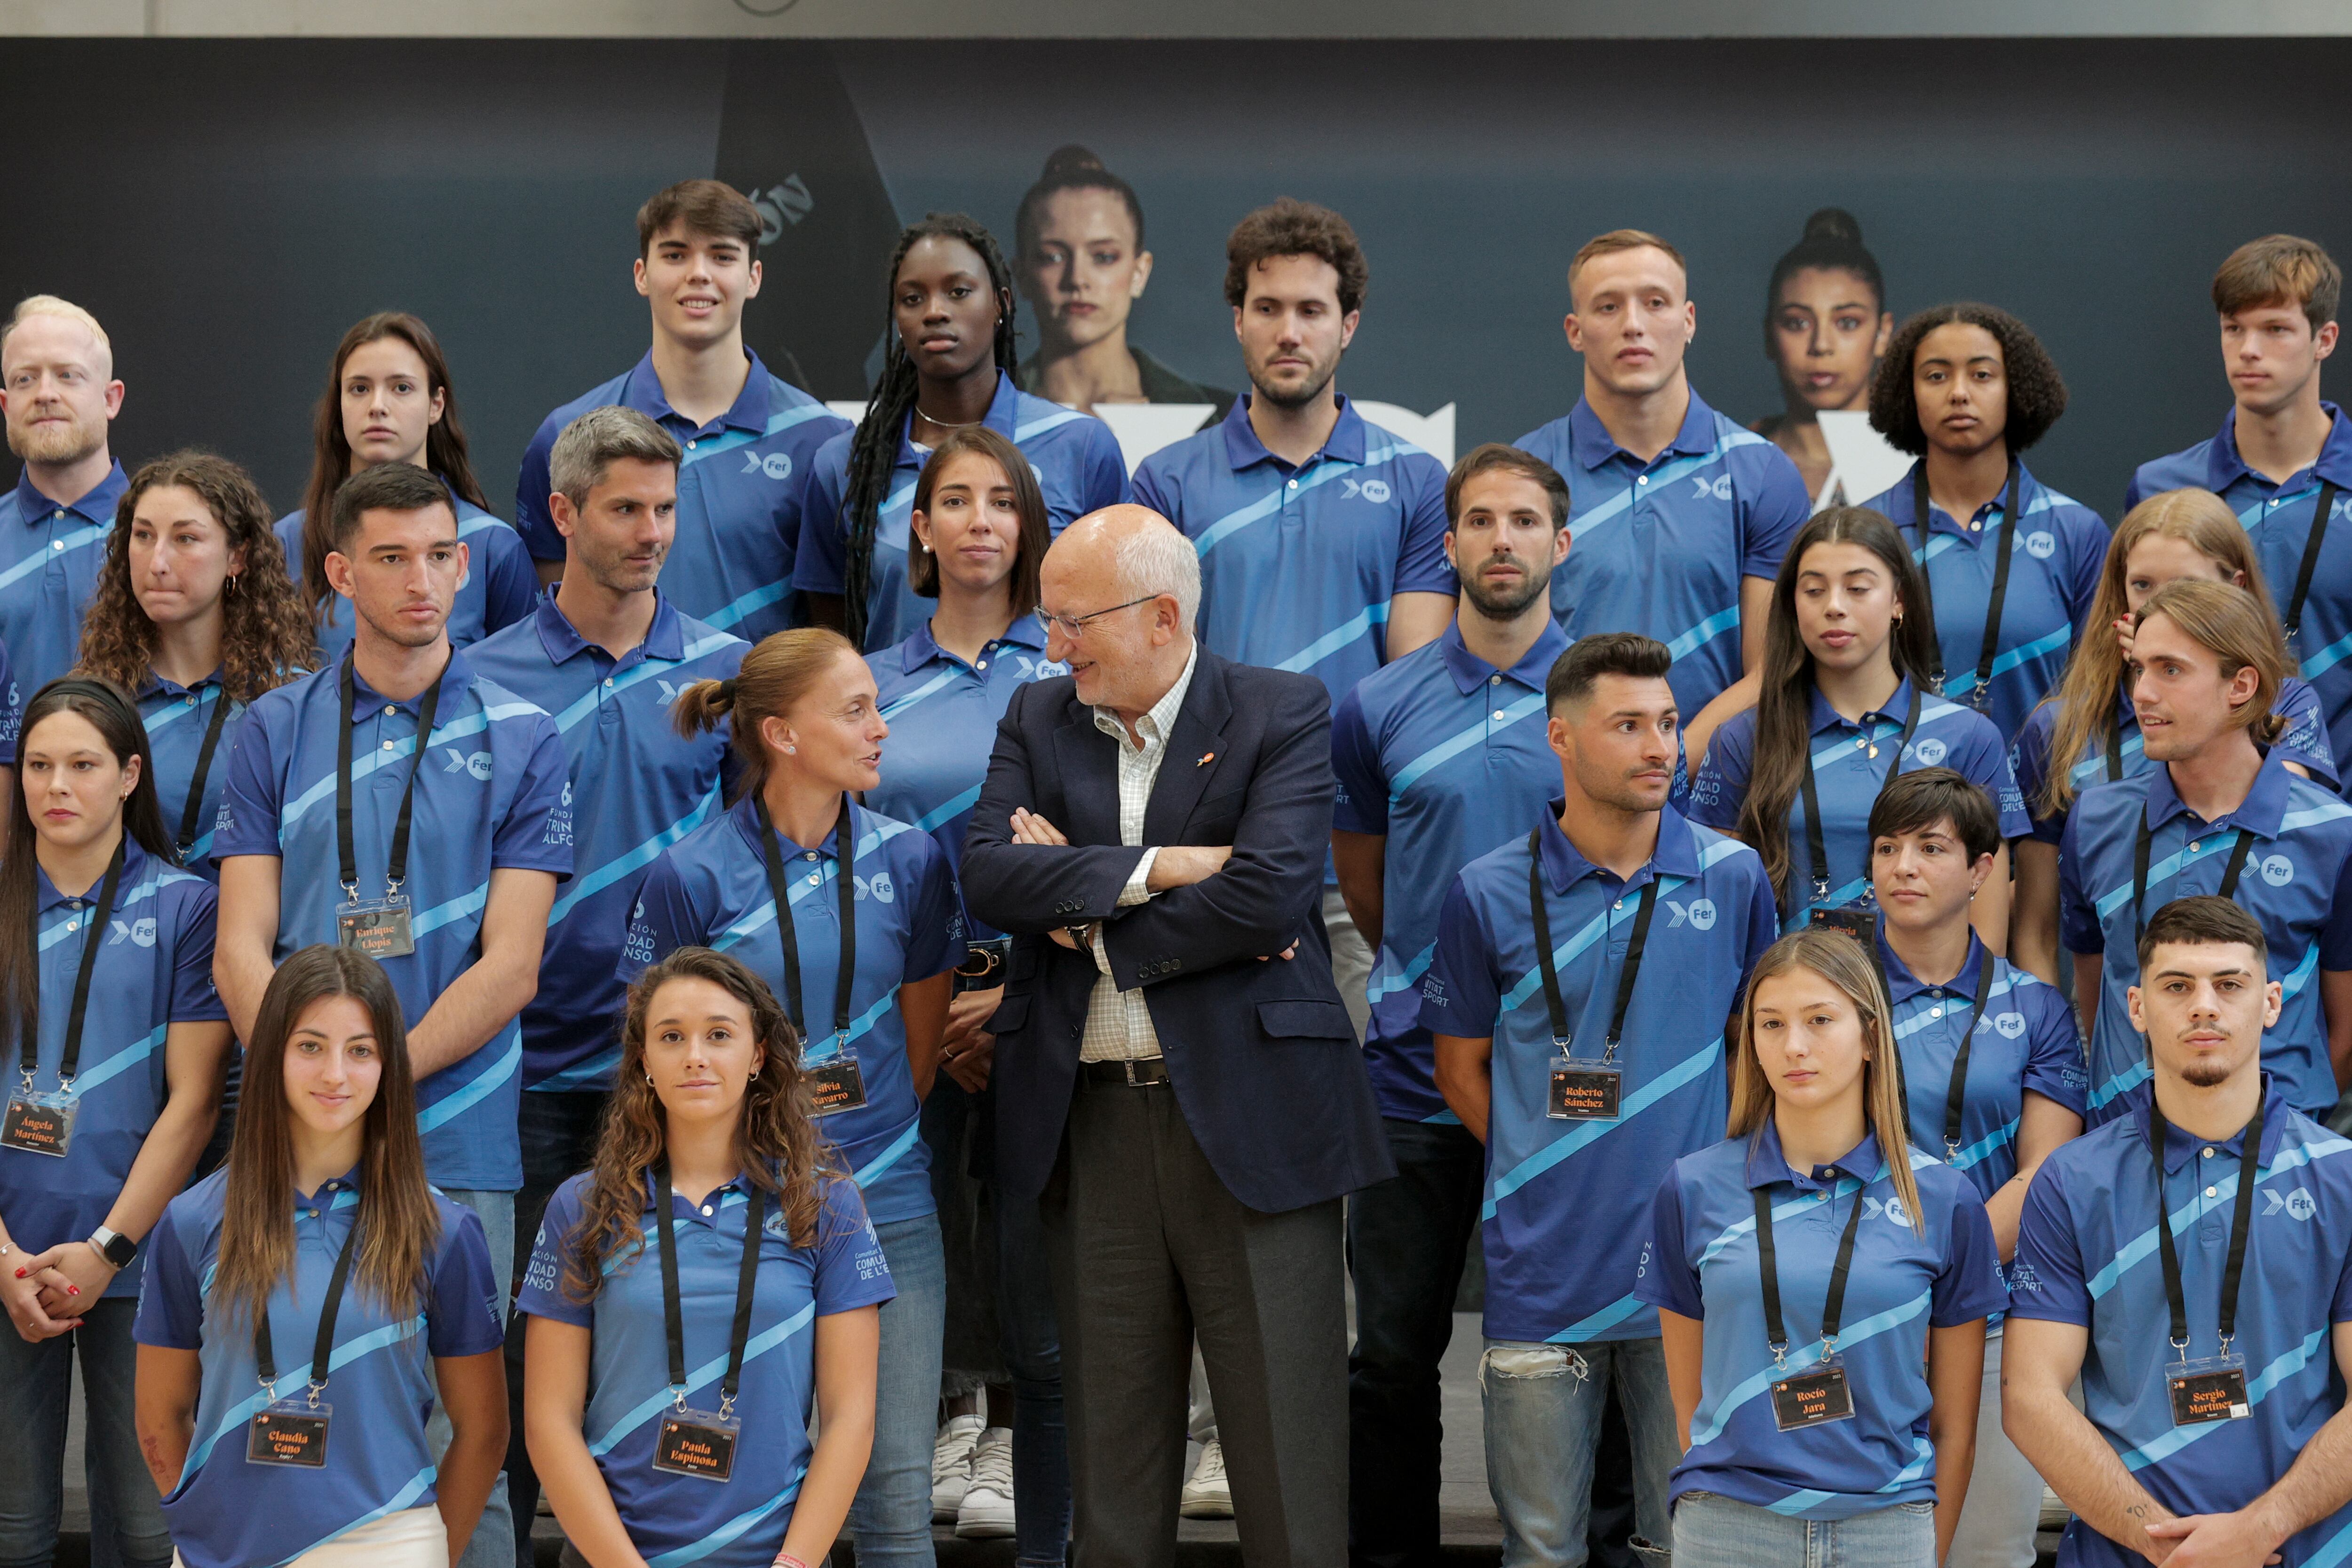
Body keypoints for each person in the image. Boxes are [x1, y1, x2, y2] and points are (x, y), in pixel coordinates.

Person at [958, 504, 1391, 1568]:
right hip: (1088, 1129)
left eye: (1072, 621)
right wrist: (1166, 866)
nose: (1053, 646)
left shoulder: (1278, 709)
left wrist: (1092, 921)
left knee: (1287, 1472)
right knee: (1115, 1479)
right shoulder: (1034, 716)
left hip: (1256, 1128)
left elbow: (1270, 892)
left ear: (1160, 616)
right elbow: (990, 875)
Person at [213, 460, 574, 1568]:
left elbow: (511, 965)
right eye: (390, 557)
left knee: (466, 1428)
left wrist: (370, 1080)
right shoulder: (270, 729)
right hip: (294, 1137)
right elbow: (241, 942)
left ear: (467, 566)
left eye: (440, 556)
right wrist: (315, 1084)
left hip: (454, 1135)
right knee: (299, 1419)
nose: (422, 581)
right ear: (336, 574)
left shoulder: (525, 735)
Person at [1418, 631, 1777, 1568]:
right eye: (1629, 725)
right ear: (1562, 738)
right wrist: (1543, 1168)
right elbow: (1457, 1068)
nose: (1662, 745)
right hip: (1543, 1273)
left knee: (1690, 1545)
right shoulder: (1486, 891)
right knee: (1540, 1548)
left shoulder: (1732, 875)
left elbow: (1760, 1055)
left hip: (1696, 1273)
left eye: (1667, 722)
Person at [463, 405, 747, 1551]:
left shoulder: (725, 671)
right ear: (565, 513)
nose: (649, 532)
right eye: (624, 509)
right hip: (520, 1074)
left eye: (666, 510)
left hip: (670, 1082)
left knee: (657, 1350)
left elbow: (748, 867)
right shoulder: (481, 676)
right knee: (526, 1355)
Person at [623, 627, 961, 1568]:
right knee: (729, 1483)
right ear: (779, 733)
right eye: (854, 709)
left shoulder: (912, 860)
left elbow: (919, 1044)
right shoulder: (689, 875)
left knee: (897, 1492)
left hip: (887, 1192)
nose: (880, 728)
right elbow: (649, 1058)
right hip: (737, 1204)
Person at [1324, 441, 1570, 1566]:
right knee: (1389, 1353)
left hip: (1565, 1082)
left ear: (1561, 545)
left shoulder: (1605, 698)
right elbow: (1366, 880)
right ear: (1451, 544)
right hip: (1414, 1076)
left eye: (1524, 520)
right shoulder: (1378, 703)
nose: (1501, 540)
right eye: (1479, 521)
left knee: (1576, 1346)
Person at [1132, 196, 1455, 1047]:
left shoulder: (1418, 481)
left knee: (1347, 1126)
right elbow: (1149, 676)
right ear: (1237, 320)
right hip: (1207, 859)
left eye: (1312, 311)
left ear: (1348, 326)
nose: (1289, 331)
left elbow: (1412, 690)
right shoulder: (1165, 482)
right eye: (1268, 309)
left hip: (1355, 861)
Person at [859, 427, 1067, 1552]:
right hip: (903, 1017)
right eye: (956, 499)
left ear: (1029, 528)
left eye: (1003, 500)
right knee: (906, 1310)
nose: (981, 518)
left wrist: (1013, 996)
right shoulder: (874, 683)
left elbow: (1101, 848)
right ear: (923, 529)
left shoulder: (1074, 672)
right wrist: (932, 1018)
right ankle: (922, 1481)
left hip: (1045, 1007)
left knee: (1048, 1329)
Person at [1638, 928, 2004, 1567]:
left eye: (1819, 1019)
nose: (1794, 1045)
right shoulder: (1692, 1188)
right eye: (1771, 1023)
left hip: (1887, 1526)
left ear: (1869, 1036)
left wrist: (1926, 1548)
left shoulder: (1944, 1198)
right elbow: (1689, 1400)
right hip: (1730, 1526)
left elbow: (1955, 1428)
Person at [132, 945, 507, 1568]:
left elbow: (483, 1431)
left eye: (360, 1050)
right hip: (224, 1552)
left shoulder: (445, 1230)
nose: (335, 1074)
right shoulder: (193, 1220)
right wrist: (204, 1526)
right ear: (272, 1053)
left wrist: (431, 1553)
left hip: (387, 1549)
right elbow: (158, 1417)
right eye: (310, 1046)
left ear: (389, 1063)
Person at [519, 946, 894, 1568]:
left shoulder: (828, 1204)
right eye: (672, 1036)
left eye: (719, 1034)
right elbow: (548, 1422)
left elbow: (851, 1418)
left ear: (757, 1055)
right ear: (644, 1059)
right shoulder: (581, 1206)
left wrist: (794, 1563)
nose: (695, 1055)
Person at [2006, 895, 2352, 1568]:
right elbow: (2028, 1396)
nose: (2204, 1006)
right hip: (2124, 1554)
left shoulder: (2343, 1178)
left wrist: (2260, 1529)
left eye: (2229, 984)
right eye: (2177, 985)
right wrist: (2162, 1543)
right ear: (2136, 1006)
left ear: (2273, 1002)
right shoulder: (2072, 1180)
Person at [0, 677, 233, 1568]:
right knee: (14, 1527)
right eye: (39, 764)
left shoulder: (186, 906)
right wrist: (5, 1257)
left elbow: (195, 1100)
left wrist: (107, 1249)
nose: (57, 784)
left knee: (145, 1530)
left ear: (131, 773)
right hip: (9, 1256)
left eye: (84, 764)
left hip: (135, 1258)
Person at [1864, 767, 2084, 1568]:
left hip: (1992, 1317)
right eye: (1887, 847)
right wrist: (1890, 1284)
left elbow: (2045, 1175)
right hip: (1856, 1315)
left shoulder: (2035, 1008)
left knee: (1987, 1549)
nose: (1904, 866)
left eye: (1931, 846)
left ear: (1985, 868)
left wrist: (1932, 1273)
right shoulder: (1828, 993)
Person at [2009, 487, 2336, 985]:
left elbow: (2277, 844)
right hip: (2122, 1028)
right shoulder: (2059, 728)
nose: (2159, 604)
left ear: (2236, 587)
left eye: (2185, 585)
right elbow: (2035, 929)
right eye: (2141, 585)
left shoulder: (2284, 704)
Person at [2059, 578, 2352, 1126]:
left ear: (2240, 685)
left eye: (2169, 670)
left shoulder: (2331, 832)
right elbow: (2097, 989)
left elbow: (2344, 1026)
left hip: (2275, 1154)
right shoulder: (2095, 819)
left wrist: (2285, 1126)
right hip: (2124, 1152)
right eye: (2139, 669)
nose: (2142, 692)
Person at [1513, 230, 1812, 766]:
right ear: (1574, 331)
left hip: (1711, 795)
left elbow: (1771, 672)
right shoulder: (1524, 474)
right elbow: (1506, 657)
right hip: (1560, 785)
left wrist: (1666, 760)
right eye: (1608, 306)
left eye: (1654, 303)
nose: (1633, 324)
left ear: (1689, 319)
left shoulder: (1762, 472)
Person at [516, 180, 852, 643]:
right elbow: (549, 618)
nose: (699, 274)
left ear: (753, 276)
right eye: (675, 255)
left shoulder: (821, 440)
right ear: (641, 274)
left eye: (722, 256)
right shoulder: (565, 434)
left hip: (760, 713)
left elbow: (834, 631)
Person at [1687, 506, 2026, 944]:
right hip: (1789, 1001)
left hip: (1928, 1006)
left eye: (1858, 588)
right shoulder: (1742, 738)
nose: (1834, 607)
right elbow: (1719, 916)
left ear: (1898, 600)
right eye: (1813, 590)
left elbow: (1987, 941)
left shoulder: (1969, 738)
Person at [799, 214, 1128, 655]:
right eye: (913, 298)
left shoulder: (1081, 446)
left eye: (958, 292)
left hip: (1051, 720)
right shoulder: (844, 466)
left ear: (1001, 305)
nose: (935, 311)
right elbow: (830, 636)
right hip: (897, 720)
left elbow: (1119, 608)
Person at [2129, 235, 2352, 777]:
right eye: (2233, 329)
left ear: (2323, 339)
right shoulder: (2161, 488)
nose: (2248, 349)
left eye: (2274, 329)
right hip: (2195, 815)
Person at [1858, 302, 2107, 744]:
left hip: (2045, 803)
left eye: (1982, 375)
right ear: (1906, 392)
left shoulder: (2077, 533)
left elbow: (2102, 686)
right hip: (1900, 803)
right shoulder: (1866, 532)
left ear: (2017, 390)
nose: (1958, 393)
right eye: (1936, 376)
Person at [77, 450, 317, 876]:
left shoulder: (294, 700)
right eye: (144, 536)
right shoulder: (93, 701)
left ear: (237, 558)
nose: (158, 563)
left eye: (186, 539)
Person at [279, 312, 537, 662]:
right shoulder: (288, 541)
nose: (378, 407)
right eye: (359, 389)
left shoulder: (493, 546)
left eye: (401, 388)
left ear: (436, 405)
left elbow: (523, 680)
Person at [1013, 145, 1234, 422]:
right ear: (1021, 276)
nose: (1078, 279)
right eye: (1053, 257)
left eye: (1104, 257)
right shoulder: (978, 420)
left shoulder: (1226, 423)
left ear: (1140, 273)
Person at [0, 296, 127, 695]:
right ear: (6, 406)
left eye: (68, 375)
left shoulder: (162, 536)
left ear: (111, 399)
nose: (45, 394)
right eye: (25, 379)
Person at [1750, 208, 1893, 507]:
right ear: (1769, 336)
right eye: (1797, 323)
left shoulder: (1930, 463)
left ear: (1883, 334)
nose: (1821, 345)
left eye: (1848, 322)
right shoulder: (1735, 464)